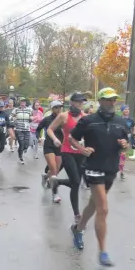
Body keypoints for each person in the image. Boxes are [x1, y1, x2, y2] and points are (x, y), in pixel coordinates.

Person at [69, 87, 129, 266]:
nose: (112, 103)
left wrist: (125, 144)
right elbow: (72, 138)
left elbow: (126, 143)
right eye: (108, 99)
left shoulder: (120, 122)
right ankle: (103, 252)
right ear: (100, 100)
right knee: (103, 208)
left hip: (110, 168)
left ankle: (78, 229)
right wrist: (82, 149)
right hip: (93, 168)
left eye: (114, 99)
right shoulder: (88, 121)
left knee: (93, 205)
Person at [47, 93, 87, 223]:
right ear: (72, 102)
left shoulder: (85, 117)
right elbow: (50, 129)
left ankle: (57, 182)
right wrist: (55, 140)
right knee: (75, 180)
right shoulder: (63, 116)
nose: (81, 104)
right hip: (67, 151)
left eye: (82, 102)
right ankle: (77, 214)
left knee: (76, 183)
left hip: (80, 152)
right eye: (79, 102)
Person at [36, 100, 64, 203]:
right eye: (56, 107)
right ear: (52, 109)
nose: (59, 109)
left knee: (56, 169)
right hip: (49, 146)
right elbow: (39, 129)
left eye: (60, 107)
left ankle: (46, 176)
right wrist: (39, 137)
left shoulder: (63, 119)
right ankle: (55, 193)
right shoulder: (47, 120)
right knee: (53, 169)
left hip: (59, 146)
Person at [11, 97, 33, 164]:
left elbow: (32, 116)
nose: (23, 103)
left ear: (25, 103)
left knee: (27, 144)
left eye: (24, 102)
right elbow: (10, 117)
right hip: (19, 129)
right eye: (21, 102)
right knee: (21, 143)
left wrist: (31, 118)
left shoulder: (29, 110)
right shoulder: (16, 110)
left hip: (27, 129)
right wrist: (13, 118)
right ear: (19, 103)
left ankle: (22, 150)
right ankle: (20, 156)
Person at [118, 105, 135, 180]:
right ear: (122, 111)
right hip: (118, 139)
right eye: (125, 109)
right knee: (117, 155)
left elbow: (134, 127)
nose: (127, 111)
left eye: (128, 109)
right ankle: (116, 167)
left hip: (127, 139)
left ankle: (121, 172)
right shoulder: (118, 119)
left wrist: (134, 134)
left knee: (123, 155)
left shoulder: (130, 120)